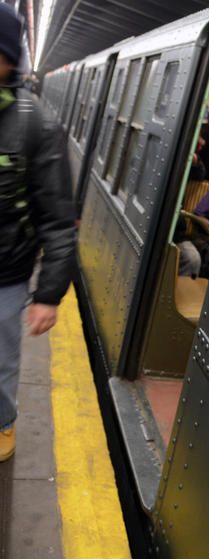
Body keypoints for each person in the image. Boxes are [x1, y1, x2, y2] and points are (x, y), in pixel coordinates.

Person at [0, 5, 76, 461]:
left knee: (1, 361)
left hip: (7, 272)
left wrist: (49, 294)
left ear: (10, 58)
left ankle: (2, 422)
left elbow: (57, 218)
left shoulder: (38, 124)